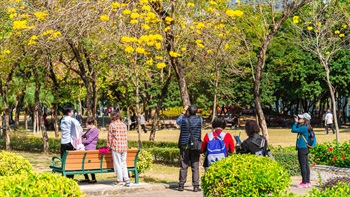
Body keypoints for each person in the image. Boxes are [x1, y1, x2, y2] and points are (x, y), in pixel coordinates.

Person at [177, 105, 202, 192]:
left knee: (183, 166)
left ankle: (181, 185)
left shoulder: (183, 119)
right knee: (195, 166)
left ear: (188, 111)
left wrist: (183, 112)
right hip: (195, 146)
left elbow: (178, 122)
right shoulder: (200, 120)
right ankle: (195, 186)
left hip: (184, 146)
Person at [108, 111, 130, 187]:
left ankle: (120, 181)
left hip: (116, 147)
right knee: (124, 164)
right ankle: (127, 180)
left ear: (113, 117)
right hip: (124, 147)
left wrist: (109, 146)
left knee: (118, 164)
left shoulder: (112, 125)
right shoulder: (124, 125)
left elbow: (109, 137)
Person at [60, 105, 83, 178]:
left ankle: (65, 176)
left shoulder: (62, 120)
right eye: (72, 111)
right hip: (70, 142)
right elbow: (79, 126)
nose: (73, 112)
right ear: (69, 112)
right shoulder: (71, 119)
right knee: (71, 160)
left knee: (64, 160)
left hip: (63, 142)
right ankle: (70, 177)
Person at [291, 113, 312, 188]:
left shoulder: (303, 128)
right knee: (306, 165)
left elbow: (293, 130)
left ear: (305, 120)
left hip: (302, 148)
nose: (300, 119)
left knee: (303, 165)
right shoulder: (308, 127)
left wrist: (296, 122)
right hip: (305, 148)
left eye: (301, 118)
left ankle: (304, 182)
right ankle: (308, 181)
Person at [81, 117, 99, 184]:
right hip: (85, 148)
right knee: (83, 163)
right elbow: (84, 135)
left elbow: (89, 141)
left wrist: (80, 141)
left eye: (87, 124)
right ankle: (86, 177)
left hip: (91, 149)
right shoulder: (89, 130)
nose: (86, 125)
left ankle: (93, 178)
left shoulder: (95, 130)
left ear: (91, 124)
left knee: (89, 163)